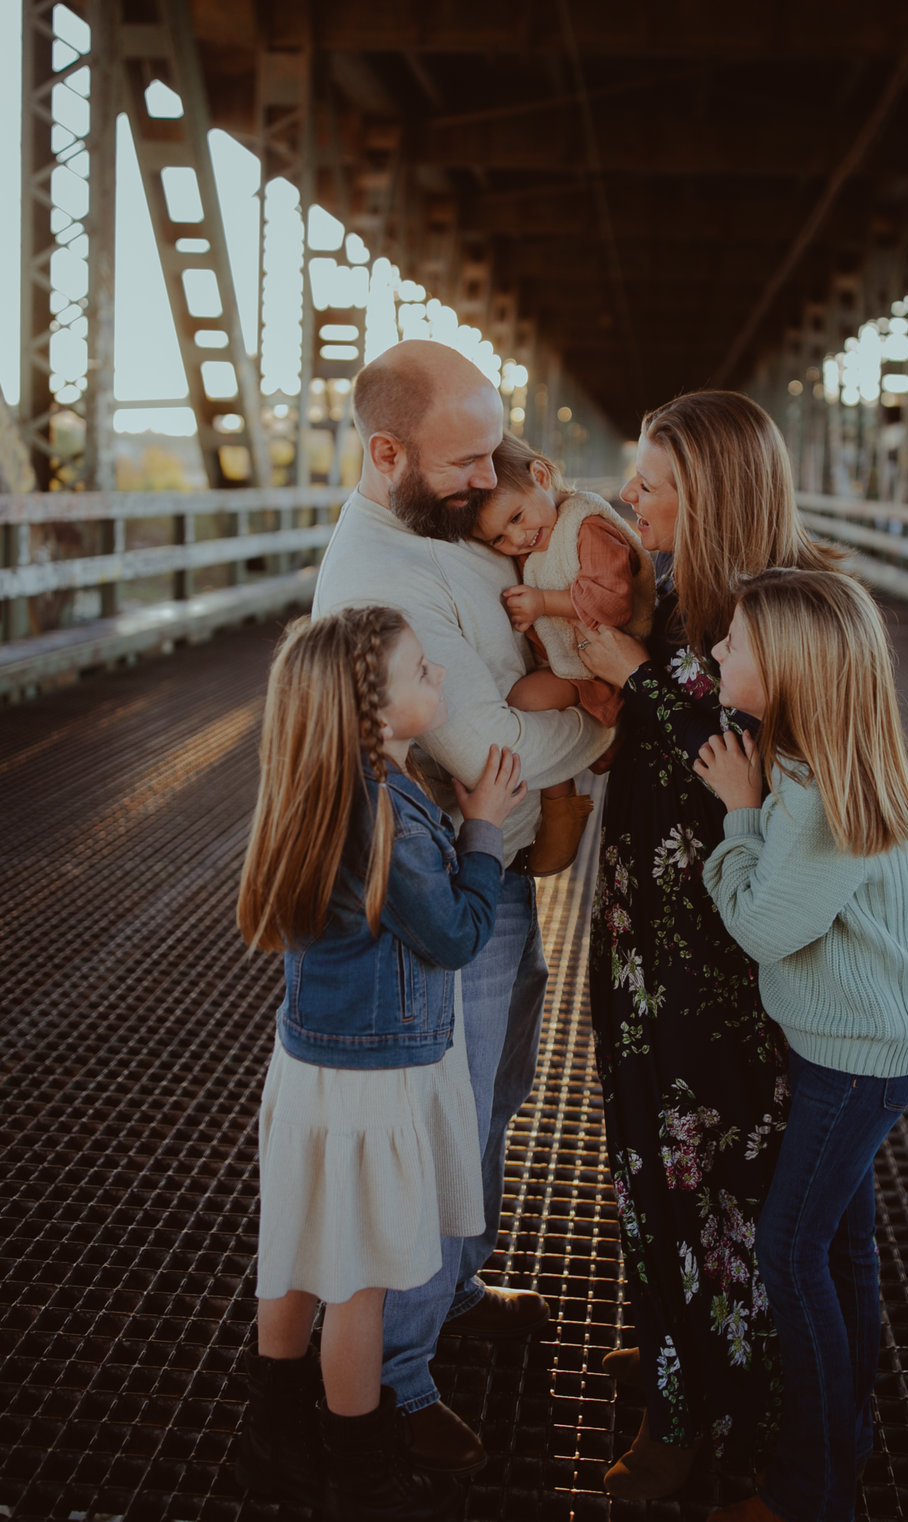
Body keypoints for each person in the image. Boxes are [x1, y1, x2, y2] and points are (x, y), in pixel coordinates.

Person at [310, 340, 613, 1475]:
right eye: (462, 461)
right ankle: (393, 1381)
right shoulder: (384, 575)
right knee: (439, 1126)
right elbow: (490, 747)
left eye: (496, 450)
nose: (490, 481)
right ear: (386, 452)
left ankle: (457, 1288)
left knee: (490, 1097)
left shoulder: (439, 526)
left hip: (487, 873)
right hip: (436, 895)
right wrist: (614, 713)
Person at [576, 389, 843, 1501]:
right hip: (639, 926)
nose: (629, 495)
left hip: (716, 954)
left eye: (652, 481)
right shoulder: (675, 590)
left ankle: (692, 1414)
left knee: (704, 1186)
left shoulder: (784, 607)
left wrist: (632, 673)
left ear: (713, 494)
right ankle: (676, 1343)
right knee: (644, 1165)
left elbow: (750, 749)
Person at [235, 606, 527, 1521]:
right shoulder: (388, 814)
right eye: (417, 669)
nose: (435, 671)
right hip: (372, 1080)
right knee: (356, 1289)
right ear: (373, 711)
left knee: (291, 1254)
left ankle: (272, 1439)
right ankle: (357, 1476)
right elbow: (452, 937)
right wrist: (481, 830)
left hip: (311, 1068)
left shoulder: (319, 781)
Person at [696, 569, 908, 1522]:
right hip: (848, 1042)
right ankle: (841, 1443)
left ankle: (813, 1493)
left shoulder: (814, 789)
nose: (718, 653)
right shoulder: (814, 761)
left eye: (735, 642)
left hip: (857, 1058)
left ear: (792, 665)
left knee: (787, 1253)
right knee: (842, 1248)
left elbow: (761, 928)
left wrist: (738, 811)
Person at [472, 433, 655, 875]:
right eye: (500, 538)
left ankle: (560, 806)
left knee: (524, 701)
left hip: (609, 663)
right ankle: (561, 806)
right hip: (574, 661)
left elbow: (613, 603)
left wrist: (541, 603)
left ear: (541, 476)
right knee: (520, 700)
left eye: (516, 516)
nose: (517, 537)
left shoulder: (586, 525)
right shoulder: (538, 539)